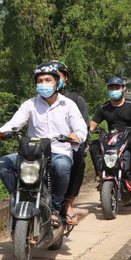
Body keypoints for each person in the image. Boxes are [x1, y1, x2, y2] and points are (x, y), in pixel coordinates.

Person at [0, 62, 87, 226]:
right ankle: (19, 198)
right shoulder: (30, 104)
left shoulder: (68, 104)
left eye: (48, 80)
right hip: (33, 153)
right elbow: (15, 123)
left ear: (57, 82)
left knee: (62, 166)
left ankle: (55, 208)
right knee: (3, 163)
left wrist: (76, 135)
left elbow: (81, 128)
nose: (43, 84)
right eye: (40, 81)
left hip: (59, 151)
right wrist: (0, 130)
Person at [89, 76, 131, 188]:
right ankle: (100, 175)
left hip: (130, 137)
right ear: (108, 90)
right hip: (112, 138)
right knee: (94, 145)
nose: (114, 90)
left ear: (123, 89)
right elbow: (93, 123)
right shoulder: (104, 107)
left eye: (117, 88)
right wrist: (91, 129)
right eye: (111, 88)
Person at [53, 60, 89, 225]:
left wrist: (75, 138)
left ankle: (68, 204)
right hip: (46, 146)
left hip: (68, 146)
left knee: (78, 159)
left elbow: (84, 127)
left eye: (57, 76)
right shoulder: (37, 101)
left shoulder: (74, 100)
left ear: (65, 78)